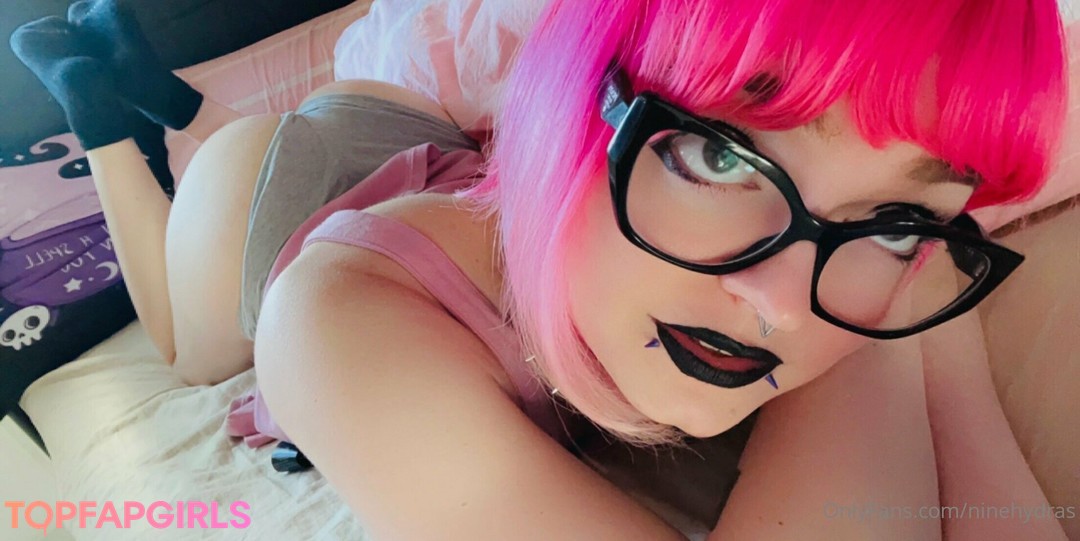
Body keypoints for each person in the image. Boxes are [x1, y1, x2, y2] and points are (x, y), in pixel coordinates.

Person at [10, 0, 1070, 539]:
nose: (778, 303)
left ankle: (160, 95)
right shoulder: (334, 323)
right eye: (718, 154)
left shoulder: (886, 270)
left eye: (899, 216)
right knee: (194, 350)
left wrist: (900, 262)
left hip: (467, 154)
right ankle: (103, 114)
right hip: (289, 177)